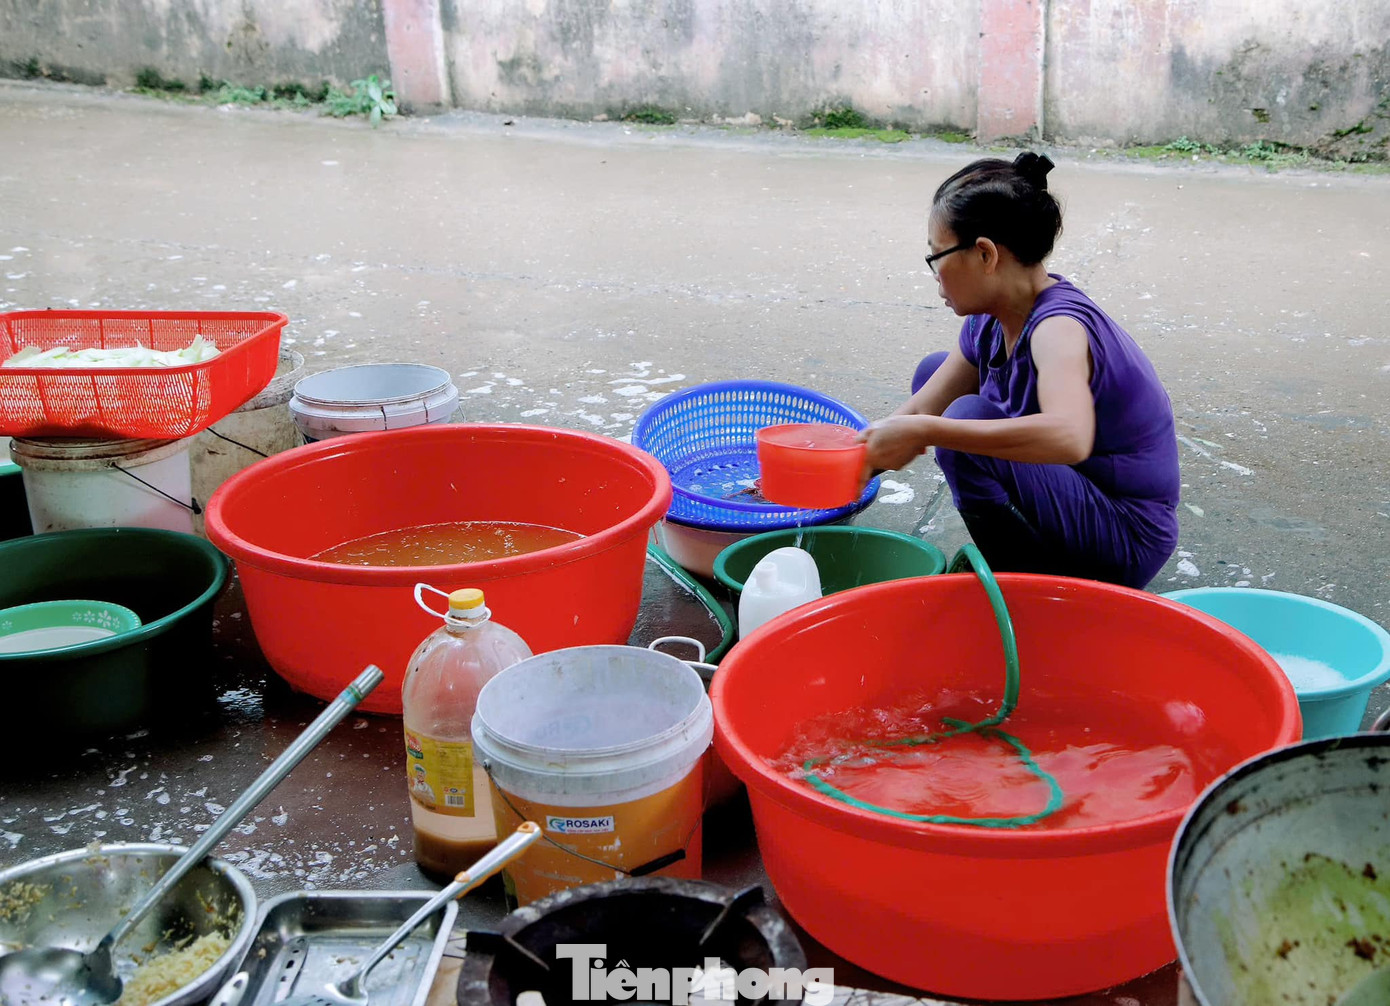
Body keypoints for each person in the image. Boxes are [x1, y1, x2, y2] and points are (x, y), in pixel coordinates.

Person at [861, 152, 1179, 589]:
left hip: (1124, 534)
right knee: (936, 378)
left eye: (938, 257)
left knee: (961, 423)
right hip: (1073, 500)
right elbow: (923, 404)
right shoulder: (990, 319)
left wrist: (926, 432)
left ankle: (1029, 592)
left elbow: (1069, 436)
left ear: (985, 254)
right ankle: (1027, 571)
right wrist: (850, 466)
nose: (935, 275)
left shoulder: (1058, 328)